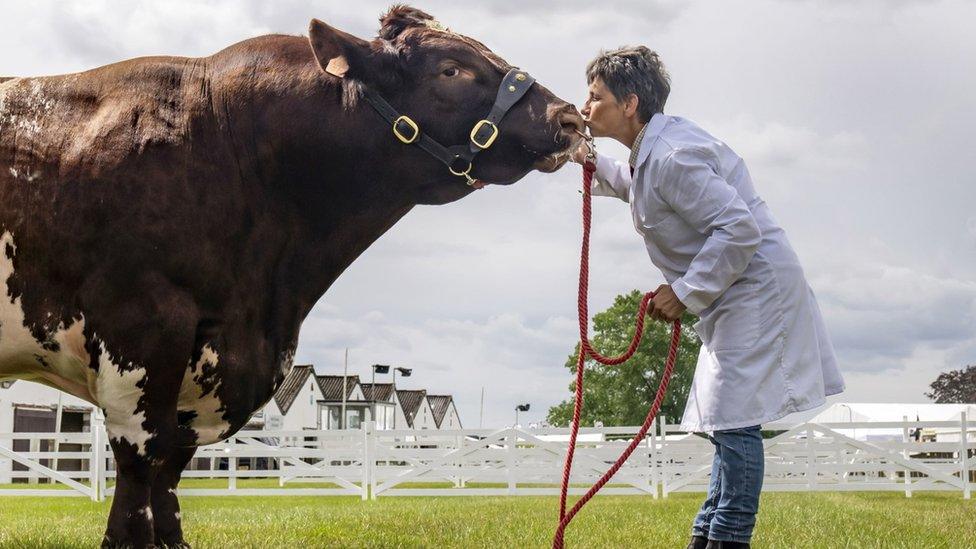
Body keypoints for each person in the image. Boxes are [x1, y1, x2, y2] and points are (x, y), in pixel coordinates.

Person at [572, 46, 845, 549]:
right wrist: (591, 160)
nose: (586, 108)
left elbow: (738, 229)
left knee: (734, 418)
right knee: (724, 419)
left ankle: (727, 538)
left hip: (755, 289)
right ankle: (709, 535)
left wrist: (685, 291)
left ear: (629, 103)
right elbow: (641, 188)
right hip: (733, 291)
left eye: (595, 98)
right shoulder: (655, 152)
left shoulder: (673, 156)